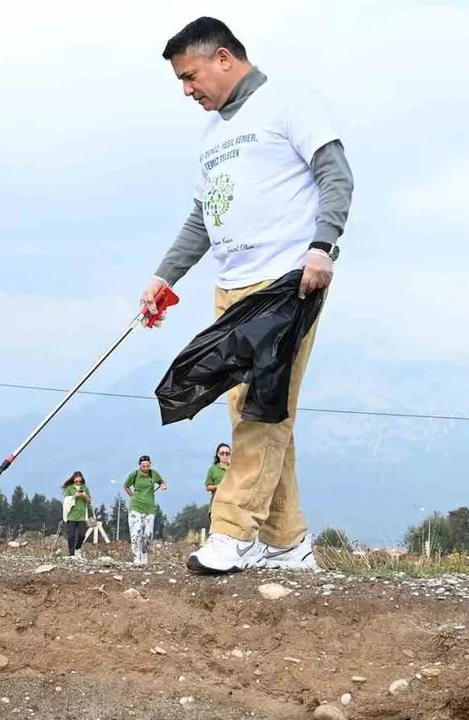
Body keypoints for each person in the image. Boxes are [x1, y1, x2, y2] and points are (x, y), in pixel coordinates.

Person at [141, 17, 352, 574]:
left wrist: (322, 246)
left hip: (287, 281)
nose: (188, 90)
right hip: (230, 286)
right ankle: (288, 542)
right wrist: (165, 278)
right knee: (250, 410)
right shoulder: (212, 136)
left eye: (190, 76)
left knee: (264, 408)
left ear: (224, 59)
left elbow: (337, 176)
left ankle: (232, 530)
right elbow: (200, 218)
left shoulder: (290, 103)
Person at [123, 455, 166, 566]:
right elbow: (126, 485)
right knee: (136, 533)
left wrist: (162, 485)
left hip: (149, 508)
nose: (146, 468)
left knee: (147, 534)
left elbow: (162, 481)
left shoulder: (153, 474)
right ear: (140, 466)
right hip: (136, 507)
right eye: (143, 466)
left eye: (147, 466)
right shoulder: (135, 474)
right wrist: (132, 496)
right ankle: (136, 557)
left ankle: (144, 553)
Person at [61, 471, 92, 560]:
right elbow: (66, 500)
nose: (78, 483)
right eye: (76, 481)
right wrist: (75, 496)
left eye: (80, 481)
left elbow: (89, 501)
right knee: (71, 536)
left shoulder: (85, 488)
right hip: (72, 515)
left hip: (82, 516)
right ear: (73, 481)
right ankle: (71, 553)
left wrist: (84, 496)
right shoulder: (70, 489)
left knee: (82, 535)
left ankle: (78, 548)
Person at [204, 442, 231, 519]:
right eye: (222, 453)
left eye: (227, 453)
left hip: (231, 506)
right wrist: (219, 486)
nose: (225, 456)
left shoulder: (233, 470)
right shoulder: (213, 469)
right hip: (216, 506)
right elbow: (208, 487)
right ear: (218, 454)